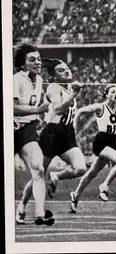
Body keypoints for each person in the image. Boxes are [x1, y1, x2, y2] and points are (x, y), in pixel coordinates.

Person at [17, 59, 86, 223]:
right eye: (61, 70)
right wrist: (74, 94)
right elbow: (60, 109)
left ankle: (56, 176)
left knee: (81, 168)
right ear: (55, 76)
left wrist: (72, 93)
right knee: (39, 174)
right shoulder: (54, 87)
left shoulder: (67, 88)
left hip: (67, 134)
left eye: (67, 69)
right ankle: (22, 206)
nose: (67, 71)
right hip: (52, 134)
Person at [69, 85, 116, 213]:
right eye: (112, 92)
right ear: (106, 94)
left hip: (113, 142)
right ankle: (104, 185)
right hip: (101, 142)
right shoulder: (100, 107)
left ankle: (75, 195)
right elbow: (80, 111)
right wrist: (74, 129)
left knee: (92, 173)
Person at [13, 44, 53, 226]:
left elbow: (33, 107)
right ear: (22, 64)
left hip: (26, 128)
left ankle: (39, 214)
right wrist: (37, 109)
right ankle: (20, 208)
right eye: (32, 59)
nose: (37, 62)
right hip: (10, 127)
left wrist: (39, 116)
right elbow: (11, 107)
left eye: (38, 59)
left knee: (39, 169)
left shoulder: (39, 80)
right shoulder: (16, 79)